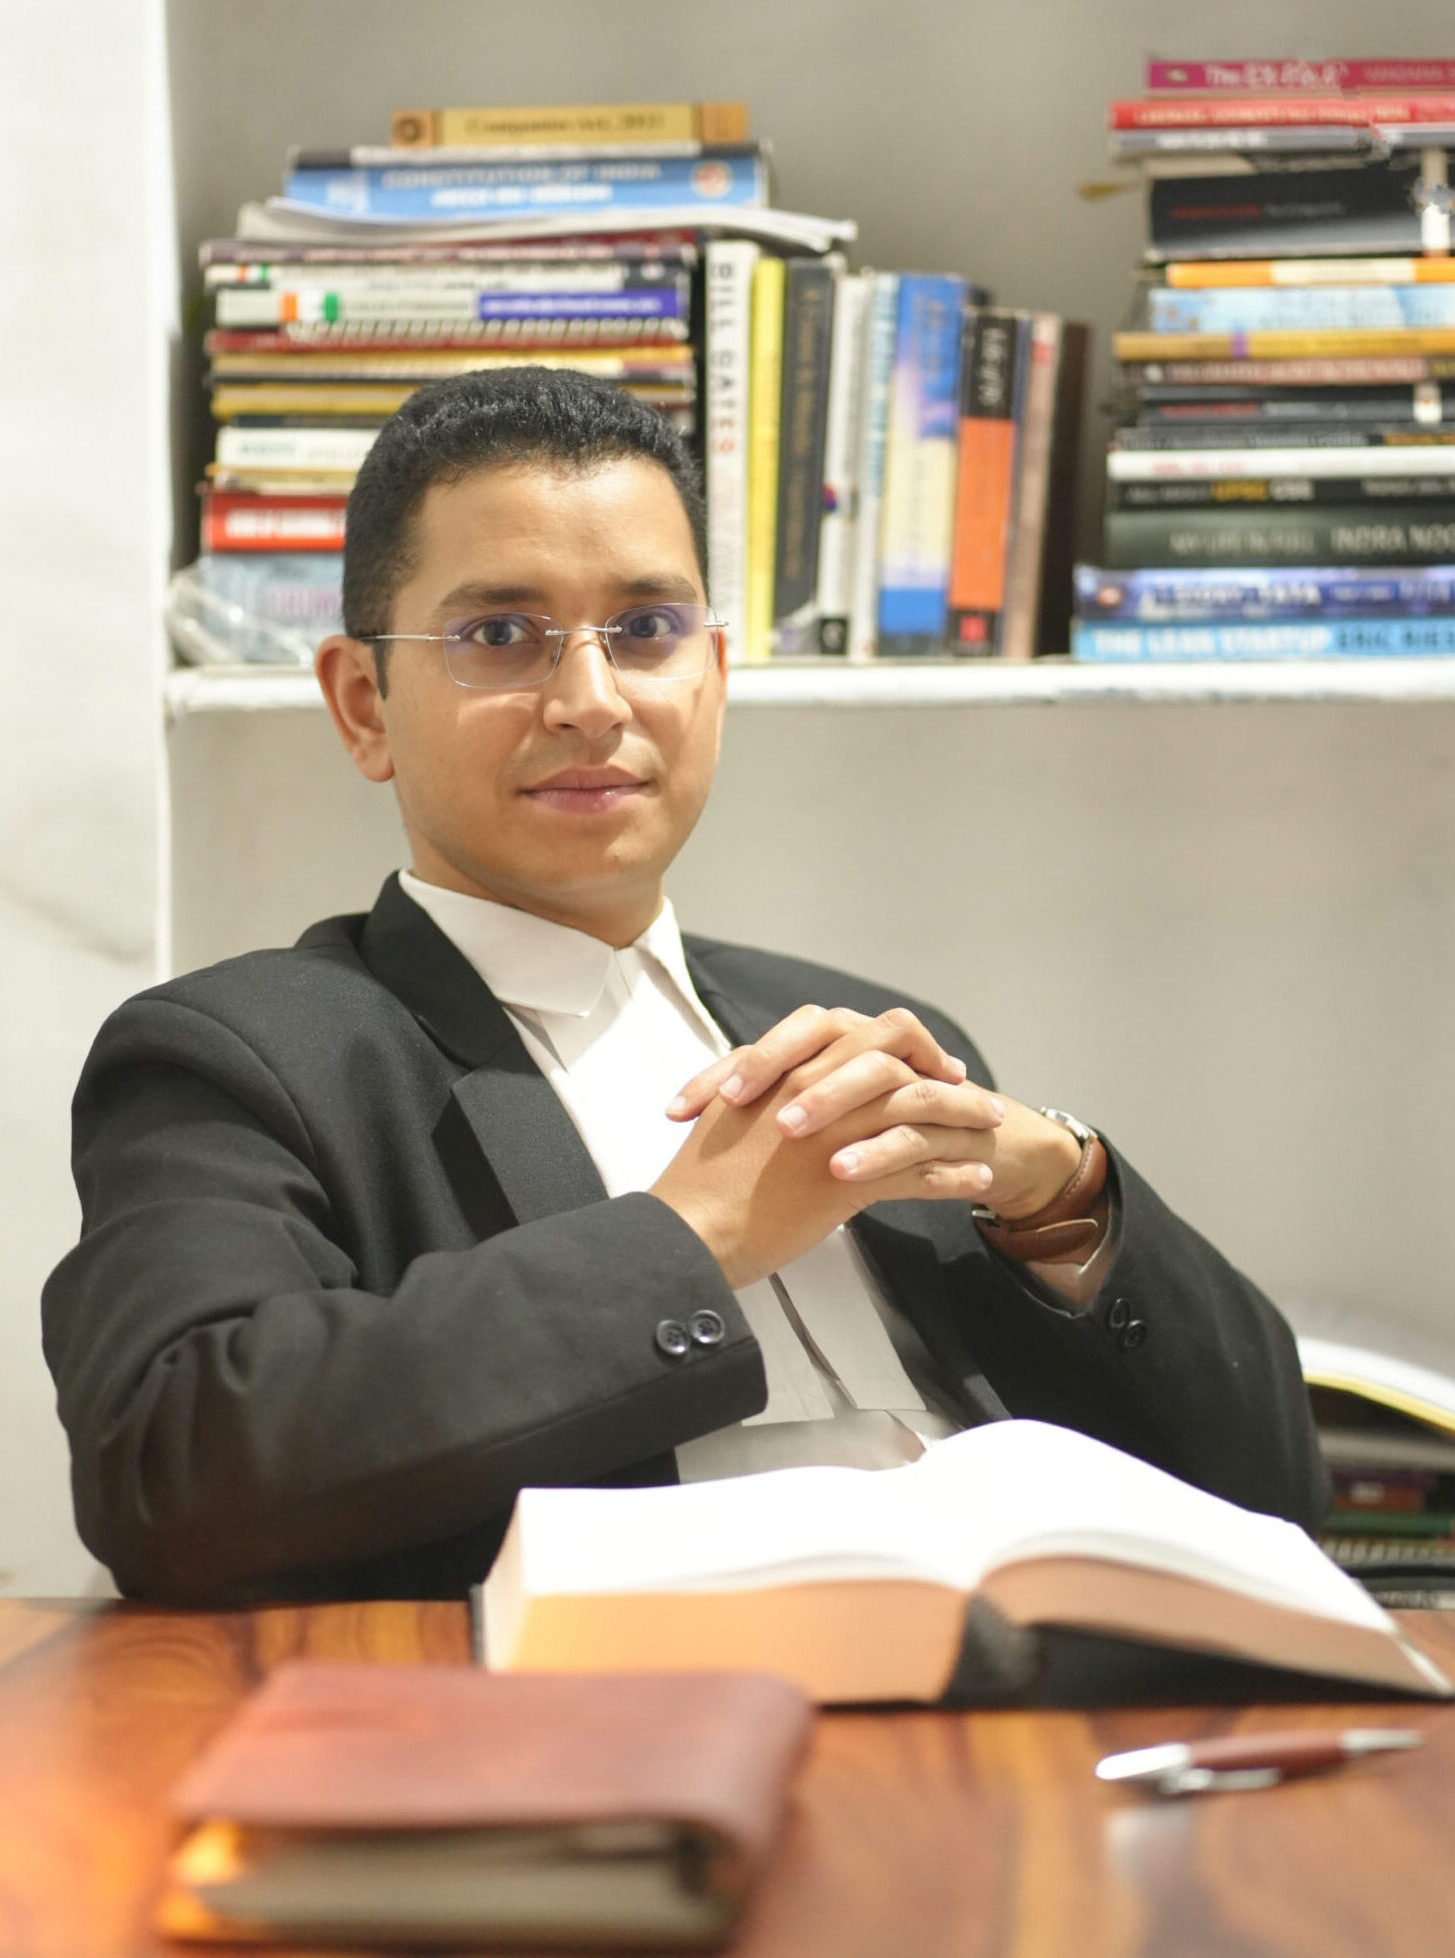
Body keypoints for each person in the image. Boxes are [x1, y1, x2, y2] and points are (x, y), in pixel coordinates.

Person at [42, 368, 1328, 1605]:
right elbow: (170, 1469)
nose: (592, 701)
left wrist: (1065, 1193)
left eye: (647, 629)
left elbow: (1272, 1492)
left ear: (712, 671)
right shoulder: (244, 1053)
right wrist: (697, 1235)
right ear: (363, 703)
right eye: (502, 634)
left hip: (1035, 1722)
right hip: (618, 1740)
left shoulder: (867, 1028)